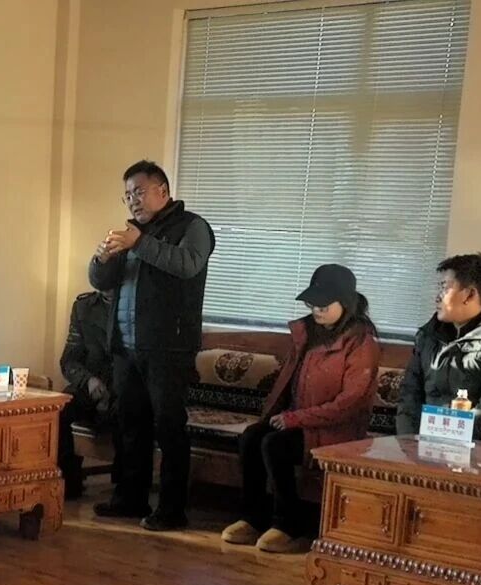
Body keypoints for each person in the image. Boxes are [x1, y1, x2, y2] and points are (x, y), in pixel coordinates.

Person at [89, 161, 215, 531]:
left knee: (169, 428)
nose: (133, 200)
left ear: (162, 190)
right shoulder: (133, 234)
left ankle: (172, 510)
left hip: (168, 349)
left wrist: (140, 243)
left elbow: (187, 265)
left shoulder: (192, 227)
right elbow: (101, 281)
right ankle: (131, 498)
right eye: (127, 195)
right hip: (127, 347)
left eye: (139, 192)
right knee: (131, 425)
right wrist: (101, 259)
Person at [220, 265, 381, 554]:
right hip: (302, 423)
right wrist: (274, 417)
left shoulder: (361, 343)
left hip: (338, 432)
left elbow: (349, 404)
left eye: (324, 305)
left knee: (275, 445)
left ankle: (289, 525)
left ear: (345, 303)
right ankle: (253, 517)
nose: (317, 310)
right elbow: (287, 383)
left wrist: (296, 418)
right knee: (252, 437)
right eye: (313, 304)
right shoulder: (306, 334)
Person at [395, 252, 481, 445]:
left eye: (444, 288)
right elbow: (409, 398)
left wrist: (441, 440)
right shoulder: (428, 337)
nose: (437, 297)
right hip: (427, 445)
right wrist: (410, 442)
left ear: (470, 294)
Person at [57, 289, 117, 499]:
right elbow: (69, 360)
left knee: (130, 411)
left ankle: (124, 491)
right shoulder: (84, 307)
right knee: (61, 408)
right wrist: (88, 380)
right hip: (91, 386)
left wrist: (114, 390)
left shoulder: (137, 307)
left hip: (123, 389)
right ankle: (68, 483)